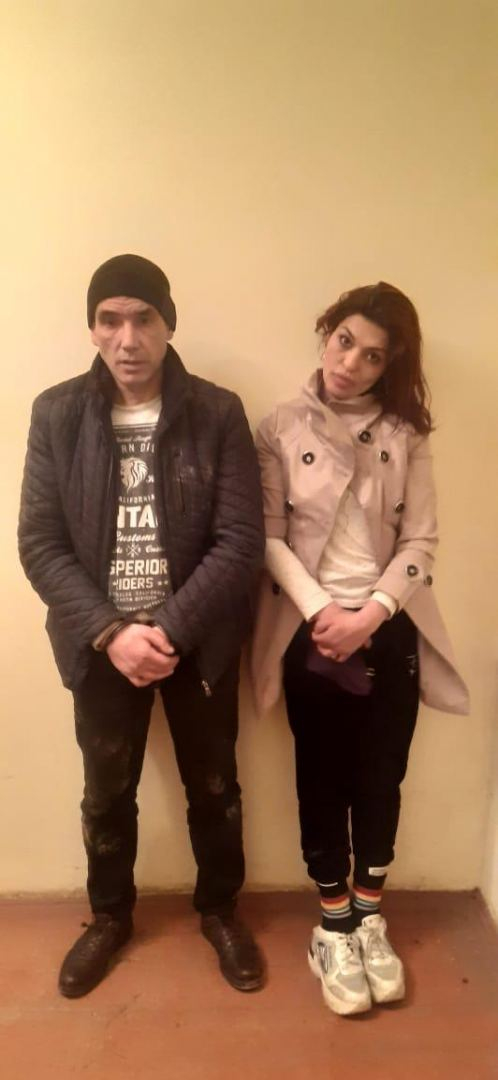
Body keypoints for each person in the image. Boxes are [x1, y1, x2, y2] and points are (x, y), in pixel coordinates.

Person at [18, 254, 265, 998]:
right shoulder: (57, 414)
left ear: (168, 324)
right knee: (105, 791)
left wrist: (170, 629)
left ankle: (219, 910)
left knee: (215, 786)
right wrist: (112, 632)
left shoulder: (217, 412)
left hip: (199, 645)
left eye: (143, 318)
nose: (127, 338)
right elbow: (39, 542)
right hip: (100, 647)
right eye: (110, 320)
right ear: (93, 329)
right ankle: (109, 916)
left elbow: (240, 541)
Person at [251, 282, 469, 1016]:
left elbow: (421, 540)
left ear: (389, 367)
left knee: (382, 779)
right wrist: (324, 613)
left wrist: (371, 613)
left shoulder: (406, 434)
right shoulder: (279, 426)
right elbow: (268, 537)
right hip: (310, 631)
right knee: (321, 781)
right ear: (326, 334)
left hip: (388, 626)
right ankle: (332, 926)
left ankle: (370, 917)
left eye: (372, 356)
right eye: (344, 341)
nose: (350, 363)